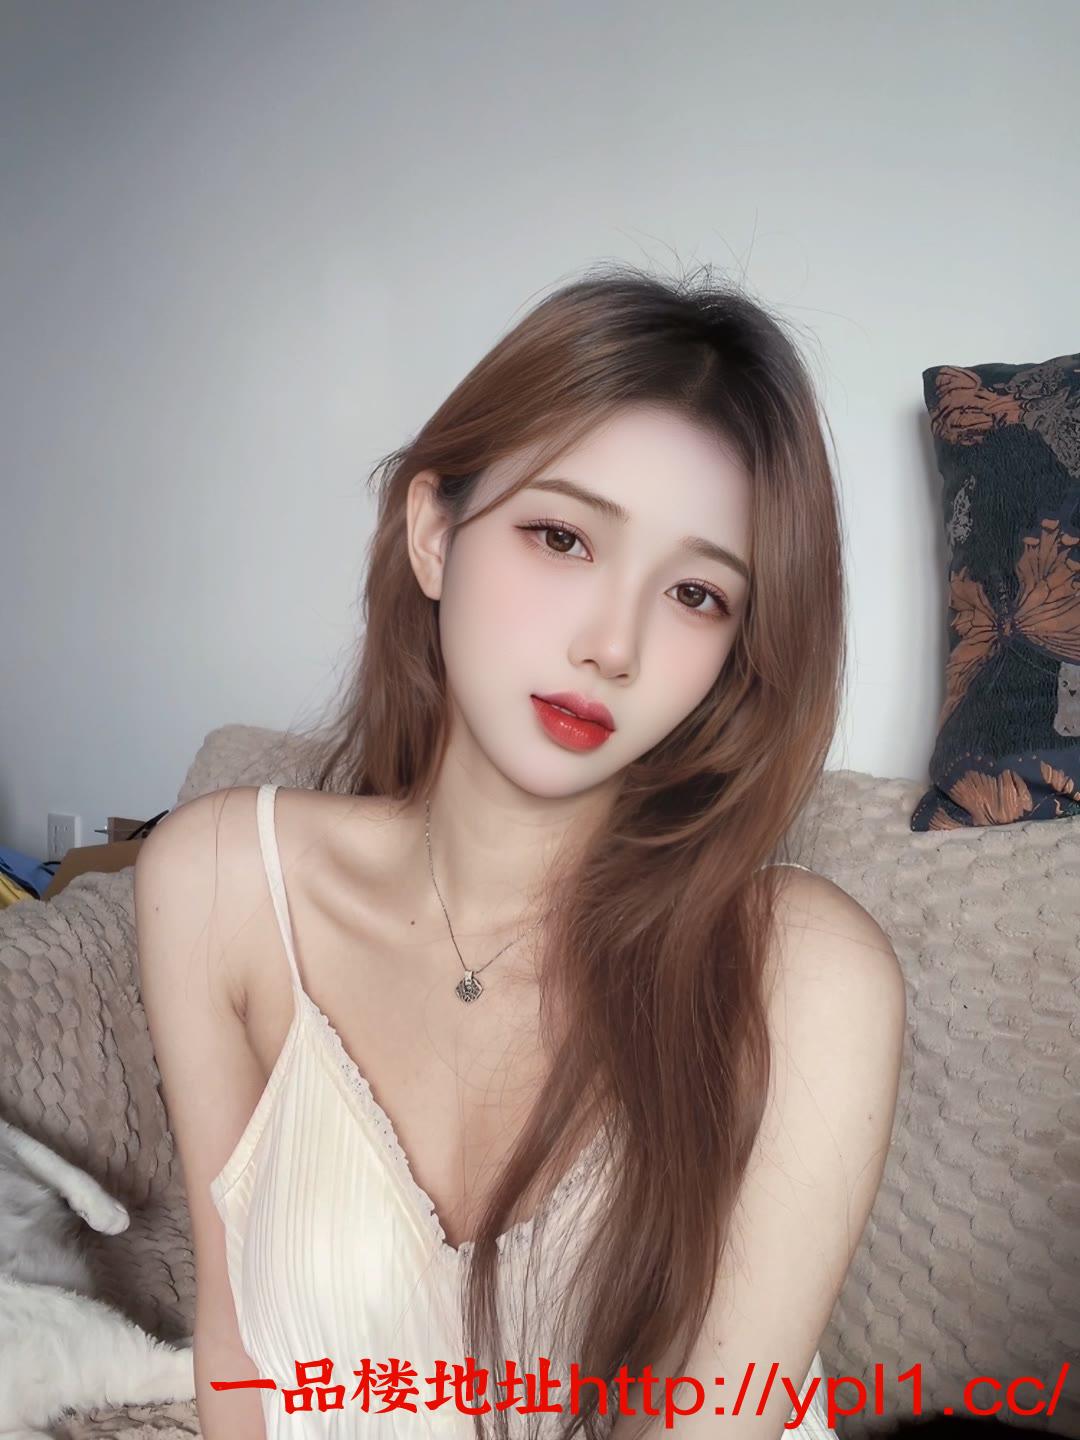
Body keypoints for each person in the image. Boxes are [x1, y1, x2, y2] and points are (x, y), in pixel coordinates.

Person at [135, 263, 906, 1440]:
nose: (612, 644)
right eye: (562, 536)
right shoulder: (218, 886)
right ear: (434, 535)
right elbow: (237, 1347)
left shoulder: (805, 971)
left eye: (697, 595)